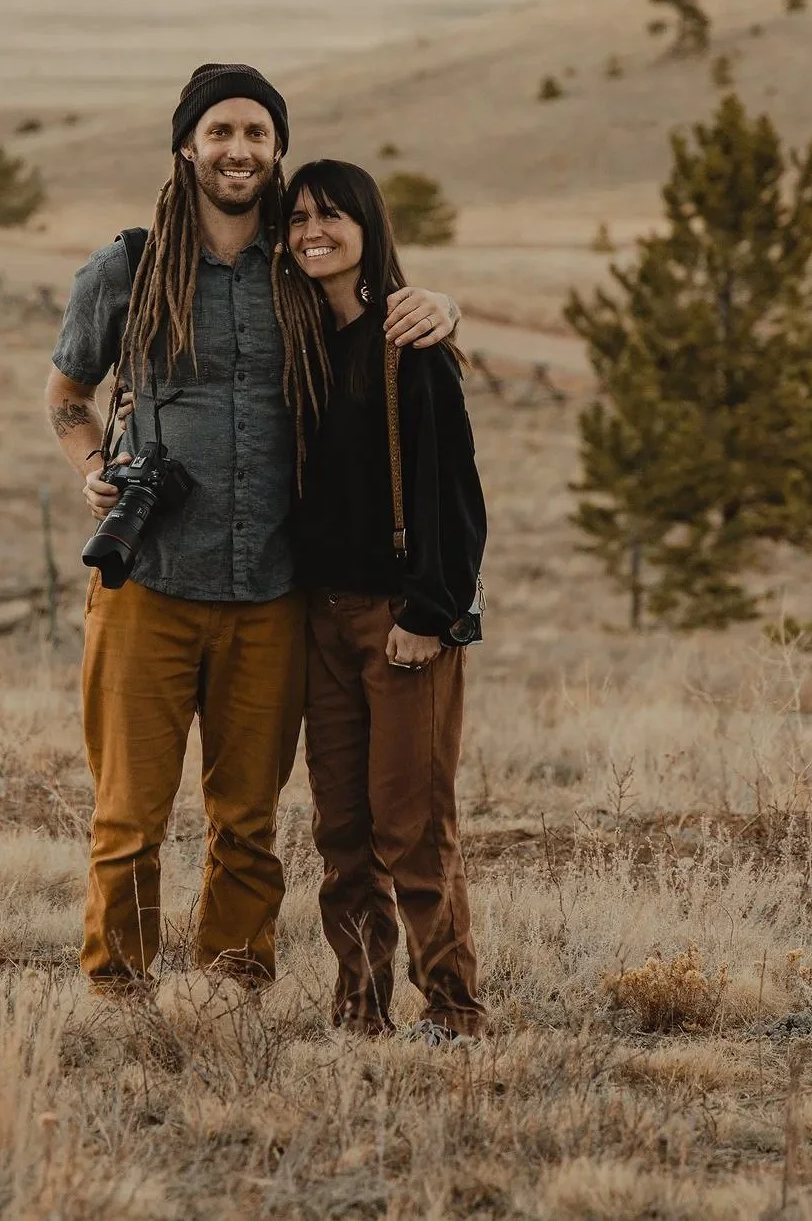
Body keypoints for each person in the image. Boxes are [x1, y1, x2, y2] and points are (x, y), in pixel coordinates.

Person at [43, 65, 460, 998]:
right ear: (187, 146)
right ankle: (119, 986)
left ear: (276, 150)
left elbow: (380, 302)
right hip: (146, 582)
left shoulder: (300, 263)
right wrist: (89, 468)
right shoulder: (129, 266)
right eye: (221, 131)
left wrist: (446, 304)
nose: (240, 150)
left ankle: (231, 986)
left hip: (272, 591)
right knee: (128, 816)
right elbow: (67, 392)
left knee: (249, 821)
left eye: (258, 134)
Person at [282, 159, 488, 1041]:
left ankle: (454, 1008)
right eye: (297, 219)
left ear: (368, 227)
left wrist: (427, 614)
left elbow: (458, 499)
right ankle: (359, 1010)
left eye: (332, 216)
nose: (311, 232)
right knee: (342, 831)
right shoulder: (297, 341)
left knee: (413, 826)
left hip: (401, 621)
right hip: (318, 619)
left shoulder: (411, 348)